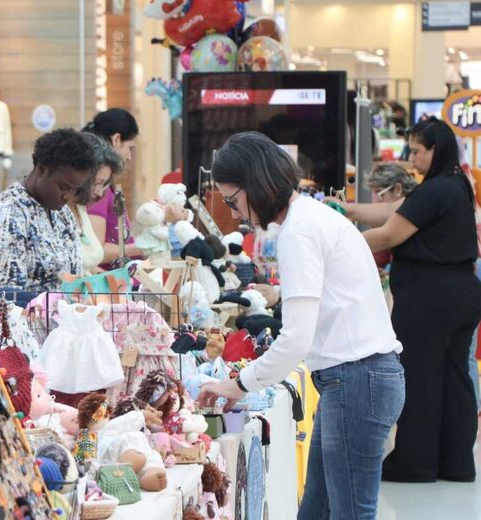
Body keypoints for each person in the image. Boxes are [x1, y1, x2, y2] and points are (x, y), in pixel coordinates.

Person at [197, 132, 404, 518]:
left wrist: (240, 383)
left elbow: (295, 340)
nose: (236, 213)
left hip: (357, 380)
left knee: (349, 513)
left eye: (232, 200)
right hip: (356, 378)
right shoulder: (309, 219)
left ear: (257, 183)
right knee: (317, 509)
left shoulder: (300, 231)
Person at [362, 117, 481, 483]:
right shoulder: (457, 184)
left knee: (419, 377)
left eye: (417, 151)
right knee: (454, 376)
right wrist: (347, 211)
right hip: (461, 293)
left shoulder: (435, 191)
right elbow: (396, 213)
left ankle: (415, 464)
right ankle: (456, 462)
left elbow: (388, 235)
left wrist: (337, 242)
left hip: (431, 299)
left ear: (436, 149)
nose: (411, 158)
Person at [0, 128, 99, 297]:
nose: (67, 196)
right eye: (63, 187)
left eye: (74, 189)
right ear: (41, 169)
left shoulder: (62, 212)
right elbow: (8, 297)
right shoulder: (7, 213)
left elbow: (73, 279)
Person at [83, 108, 143, 268]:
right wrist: (143, 247)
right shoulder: (98, 189)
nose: (129, 157)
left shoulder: (102, 185)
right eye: (130, 148)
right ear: (116, 139)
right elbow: (97, 250)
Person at [67, 133, 123, 275]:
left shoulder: (80, 208)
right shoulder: (59, 211)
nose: (99, 193)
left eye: (103, 185)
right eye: (97, 183)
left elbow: (86, 266)